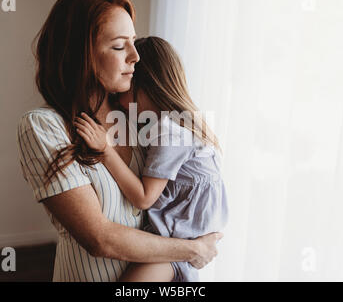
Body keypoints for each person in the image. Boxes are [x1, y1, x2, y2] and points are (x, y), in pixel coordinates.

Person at [16, 0, 222, 282]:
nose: (136, 57)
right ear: (81, 55)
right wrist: (191, 249)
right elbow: (100, 239)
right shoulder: (44, 126)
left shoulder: (137, 115)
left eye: (134, 42)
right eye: (118, 46)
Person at [74, 36, 229, 282]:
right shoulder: (179, 124)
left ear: (144, 85)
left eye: (125, 86)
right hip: (178, 244)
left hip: (172, 249)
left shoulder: (171, 132)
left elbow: (144, 198)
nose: (117, 99)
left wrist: (105, 150)